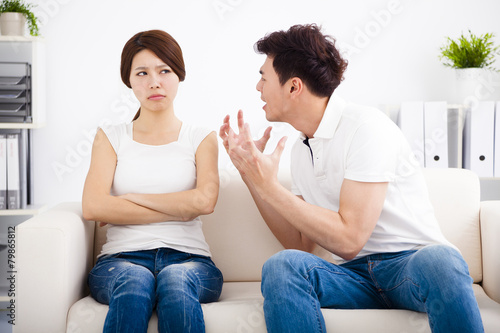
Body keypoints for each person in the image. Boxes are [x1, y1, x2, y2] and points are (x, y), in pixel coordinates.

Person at [219, 24, 483, 333]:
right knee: (283, 265)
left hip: (411, 266)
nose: (257, 88)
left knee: (442, 260)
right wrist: (251, 176)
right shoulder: (302, 148)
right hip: (354, 277)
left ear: (293, 87)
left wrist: (270, 186)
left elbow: (349, 239)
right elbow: (303, 246)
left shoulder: (366, 128)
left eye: (263, 77)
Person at [82, 29, 222, 333]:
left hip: (191, 261)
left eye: (164, 71)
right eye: (142, 73)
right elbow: (93, 207)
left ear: (179, 75)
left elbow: (204, 202)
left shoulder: (202, 138)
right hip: (120, 261)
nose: (154, 82)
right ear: (129, 80)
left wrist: (125, 202)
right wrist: (180, 206)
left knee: (175, 279)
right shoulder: (110, 137)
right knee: (136, 279)